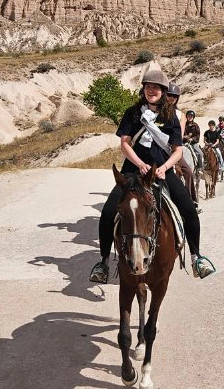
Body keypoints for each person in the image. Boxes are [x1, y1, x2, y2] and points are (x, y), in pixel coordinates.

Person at [89, 69, 215, 283]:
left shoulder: (171, 117)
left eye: (156, 87)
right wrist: (139, 163)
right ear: (143, 89)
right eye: (148, 86)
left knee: (188, 209)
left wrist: (165, 167)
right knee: (109, 211)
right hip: (132, 170)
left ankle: (196, 257)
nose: (151, 90)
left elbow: (177, 150)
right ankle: (102, 262)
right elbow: (124, 144)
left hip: (160, 170)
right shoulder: (132, 113)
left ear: (163, 91)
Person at [166, 83, 195, 199]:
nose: (171, 98)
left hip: (173, 149)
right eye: (169, 95)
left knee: (188, 171)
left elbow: (179, 136)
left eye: (174, 96)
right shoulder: (156, 110)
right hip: (157, 148)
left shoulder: (180, 115)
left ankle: (191, 199)